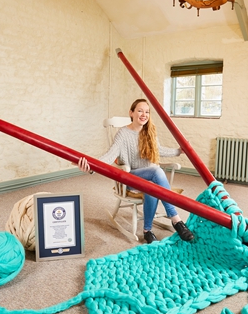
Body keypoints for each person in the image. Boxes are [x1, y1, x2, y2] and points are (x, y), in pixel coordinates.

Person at [77, 98, 194, 244]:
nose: (144, 115)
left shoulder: (149, 132)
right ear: (131, 113)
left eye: (147, 112)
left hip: (148, 178)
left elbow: (159, 150)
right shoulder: (123, 134)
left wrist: (178, 151)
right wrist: (91, 167)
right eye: (140, 111)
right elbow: (110, 155)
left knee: (152, 185)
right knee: (156, 171)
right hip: (130, 178)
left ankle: (147, 231)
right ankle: (176, 219)